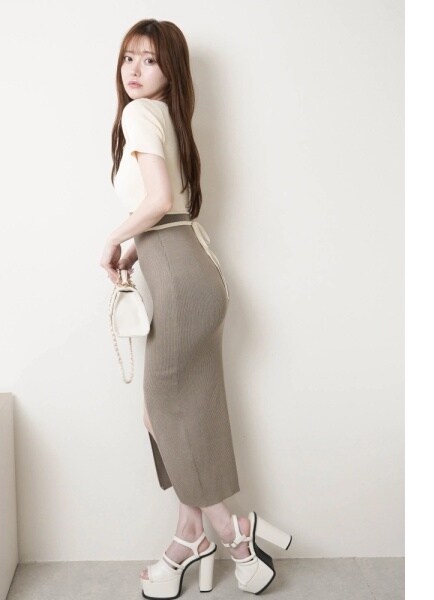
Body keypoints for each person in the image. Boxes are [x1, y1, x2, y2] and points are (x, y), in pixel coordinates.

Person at [100, 19, 292, 598]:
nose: (135, 70)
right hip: (196, 276)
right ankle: (190, 535)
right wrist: (134, 250)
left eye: (150, 60)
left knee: (162, 413)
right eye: (129, 58)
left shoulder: (140, 115)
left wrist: (112, 239)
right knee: (192, 411)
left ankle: (232, 532)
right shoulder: (169, 118)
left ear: (171, 70)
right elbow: (172, 210)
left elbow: (158, 199)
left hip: (182, 286)